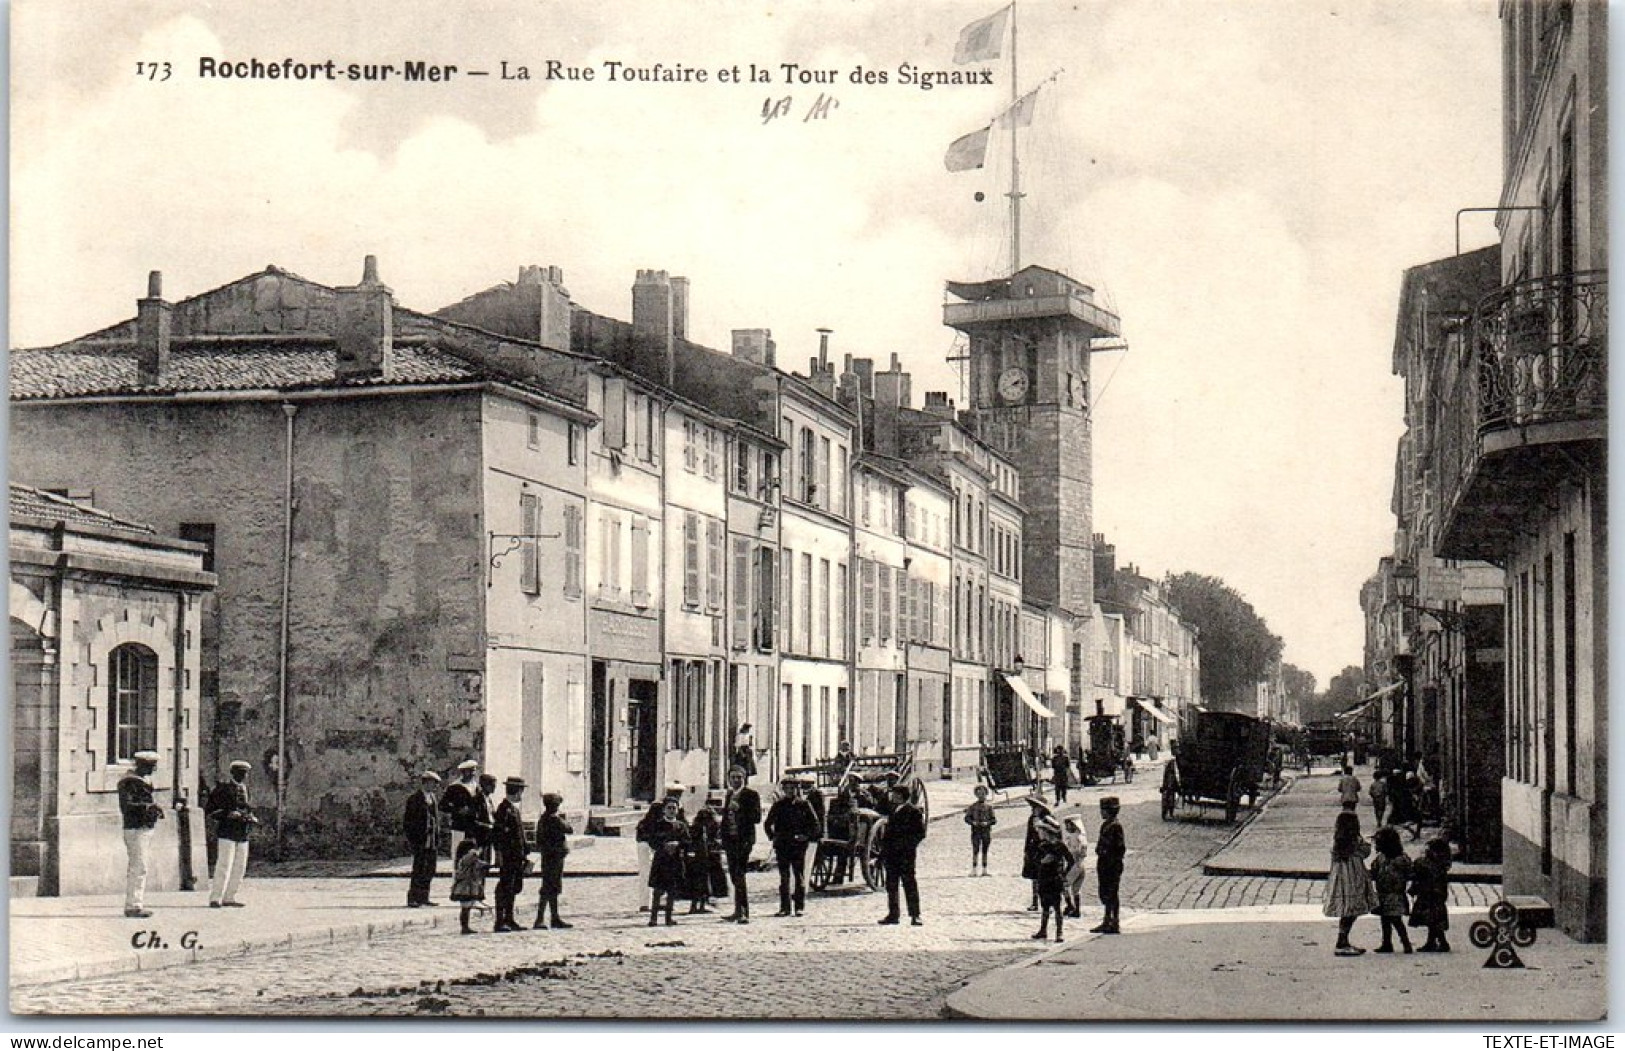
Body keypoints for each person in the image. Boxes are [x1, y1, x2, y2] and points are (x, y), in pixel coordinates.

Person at [764, 775, 820, 917]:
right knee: (784, 878)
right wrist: (773, 837)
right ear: (783, 789)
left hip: (798, 845)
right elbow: (767, 823)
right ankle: (785, 908)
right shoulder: (778, 805)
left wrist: (805, 836)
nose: (790, 791)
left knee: (799, 876)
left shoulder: (804, 805)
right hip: (782, 845)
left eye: (793, 788)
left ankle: (799, 907)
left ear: (798, 789)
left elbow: (815, 825)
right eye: (787, 788)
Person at [1322, 809, 1376, 955]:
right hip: (1354, 876)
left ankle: (1343, 940)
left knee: (1347, 909)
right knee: (1351, 909)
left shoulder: (1337, 842)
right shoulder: (1355, 841)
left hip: (1340, 877)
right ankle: (1342, 942)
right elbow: (1365, 852)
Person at [118, 751, 165, 918]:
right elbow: (127, 806)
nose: (153, 769)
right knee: (139, 866)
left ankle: (136, 903)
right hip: (135, 828)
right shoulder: (129, 782)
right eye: (151, 766)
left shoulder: (143, 781)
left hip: (143, 828)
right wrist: (148, 807)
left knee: (140, 866)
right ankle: (133, 905)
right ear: (141, 765)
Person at [207, 760, 257, 908]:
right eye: (240, 773)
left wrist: (251, 817)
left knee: (239, 866)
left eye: (245, 773)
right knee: (224, 864)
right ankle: (216, 897)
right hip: (227, 831)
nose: (243, 776)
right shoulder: (222, 789)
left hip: (243, 831)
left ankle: (230, 896)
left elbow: (248, 808)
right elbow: (211, 810)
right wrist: (228, 814)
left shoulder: (247, 790)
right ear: (233, 773)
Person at [876, 784, 926, 927]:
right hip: (891, 855)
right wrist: (883, 852)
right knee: (891, 885)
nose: (893, 796)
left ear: (901, 795)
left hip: (906, 855)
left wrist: (907, 846)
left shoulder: (914, 811)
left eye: (895, 794)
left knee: (909, 884)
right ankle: (893, 914)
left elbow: (920, 833)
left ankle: (915, 915)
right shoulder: (893, 811)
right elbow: (888, 834)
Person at [718, 766, 762, 924]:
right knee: (733, 874)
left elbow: (757, 818)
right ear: (728, 779)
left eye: (739, 777)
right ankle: (737, 910)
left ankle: (744, 912)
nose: (736, 780)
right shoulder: (729, 794)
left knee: (739, 873)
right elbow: (725, 818)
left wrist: (740, 809)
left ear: (744, 779)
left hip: (743, 840)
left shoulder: (751, 795)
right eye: (733, 777)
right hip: (730, 839)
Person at [491, 776, 528, 933]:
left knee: (513, 887)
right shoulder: (503, 809)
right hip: (508, 855)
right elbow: (498, 835)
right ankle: (500, 921)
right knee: (505, 887)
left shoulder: (513, 809)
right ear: (516, 791)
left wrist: (525, 849)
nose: (522, 794)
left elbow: (519, 832)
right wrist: (498, 854)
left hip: (516, 855)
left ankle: (509, 918)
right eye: (521, 791)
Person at [1369, 826, 1413, 953]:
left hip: (1394, 894)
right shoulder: (1382, 858)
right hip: (1383, 893)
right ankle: (1387, 943)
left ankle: (1405, 942)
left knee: (1395, 919)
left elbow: (1409, 872)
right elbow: (1374, 871)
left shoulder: (1399, 859)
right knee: (1385, 920)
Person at [646, 797, 689, 926]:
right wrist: (663, 845)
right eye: (669, 808)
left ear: (677, 810)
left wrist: (678, 844)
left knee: (672, 890)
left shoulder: (681, 826)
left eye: (674, 808)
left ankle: (668, 918)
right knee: (658, 890)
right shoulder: (658, 825)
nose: (671, 811)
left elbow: (688, 842)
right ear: (664, 810)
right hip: (661, 861)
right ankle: (653, 918)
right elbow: (651, 840)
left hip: (675, 862)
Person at [532, 792, 572, 929]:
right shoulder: (554, 819)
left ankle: (554, 917)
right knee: (549, 888)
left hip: (548, 856)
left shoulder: (543, 819)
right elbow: (569, 828)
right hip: (553, 858)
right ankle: (540, 918)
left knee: (552, 887)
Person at [402, 771, 442, 908]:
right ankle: (413, 898)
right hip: (420, 839)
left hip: (432, 839)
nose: (435, 786)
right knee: (419, 868)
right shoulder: (414, 799)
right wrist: (413, 839)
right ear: (425, 783)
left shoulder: (433, 798)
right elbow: (408, 821)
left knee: (430, 868)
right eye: (433, 783)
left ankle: (424, 897)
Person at [1031, 818, 1073, 942]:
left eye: (1041, 831)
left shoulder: (1059, 845)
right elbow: (1035, 861)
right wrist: (1041, 861)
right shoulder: (1041, 845)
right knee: (1044, 905)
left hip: (1055, 878)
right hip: (1043, 878)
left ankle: (1059, 932)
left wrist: (1063, 872)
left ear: (1047, 831)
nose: (1039, 833)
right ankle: (1043, 930)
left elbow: (1070, 860)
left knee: (1057, 905)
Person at [1409, 837, 1453, 952]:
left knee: (1434, 921)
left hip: (1431, 896)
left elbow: (1419, 877)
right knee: (1432, 921)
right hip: (1431, 896)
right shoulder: (1440, 866)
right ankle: (1431, 942)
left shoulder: (1430, 865)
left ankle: (1442, 942)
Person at [1091, 796, 1126, 934]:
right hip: (1104, 863)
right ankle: (1107, 920)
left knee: (1112, 893)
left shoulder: (1116, 826)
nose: (1101, 813)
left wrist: (1110, 856)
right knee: (1104, 892)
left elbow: (1120, 847)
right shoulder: (1105, 825)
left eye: (1103, 810)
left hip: (1112, 864)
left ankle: (1114, 921)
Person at [686, 802, 725, 914]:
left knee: (700, 884)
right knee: (703, 883)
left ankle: (697, 905)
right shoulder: (703, 829)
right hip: (703, 860)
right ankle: (699, 905)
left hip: (701, 860)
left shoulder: (697, 828)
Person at [440, 759, 480, 859]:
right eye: (469, 771)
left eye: (473, 771)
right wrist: (457, 810)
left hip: (473, 826)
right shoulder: (454, 787)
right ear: (463, 772)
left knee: (472, 852)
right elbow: (442, 805)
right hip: (459, 825)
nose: (472, 774)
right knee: (458, 851)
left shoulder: (476, 787)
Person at [633, 799, 667, 912]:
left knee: (646, 876)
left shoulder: (643, 823)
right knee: (654, 875)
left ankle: (645, 903)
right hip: (648, 848)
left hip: (644, 847)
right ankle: (656, 902)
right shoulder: (658, 823)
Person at [449, 839, 489, 935]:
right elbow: (475, 857)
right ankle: (464, 927)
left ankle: (465, 926)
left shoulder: (462, 858)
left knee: (466, 907)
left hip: (467, 885)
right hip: (466, 887)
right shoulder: (468, 857)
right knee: (465, 908)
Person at [1021, 794, 1051, 911]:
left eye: (1035, 807)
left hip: (1044, 851)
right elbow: (1028, 836)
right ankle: (1035, 902)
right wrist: (1026, 851)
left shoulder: (1047, 819)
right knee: (1034, 877)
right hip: (1033, 851)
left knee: (1046, 878)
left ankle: (1048, 902)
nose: (1033, 810)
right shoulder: (1031, 819)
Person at [964, 784, 997, 876]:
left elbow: (994, 820)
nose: (981, 796)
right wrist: (973, 822)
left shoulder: (989, 807)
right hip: (976, 831)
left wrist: (987, 823)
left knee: (985, 850)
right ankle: (974, 869)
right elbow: (967, 818)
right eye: (979, 794)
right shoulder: (972, 807)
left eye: (983, 794)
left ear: (986, 794)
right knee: (975, 850)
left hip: (986, 831)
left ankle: (984, 869)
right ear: (976, 795)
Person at [1061, 816, 1089, 918]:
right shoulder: (1082, 837)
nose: (1066, 827)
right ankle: (1077, 910)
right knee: (1076, 889)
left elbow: (1074, 855)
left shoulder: (1075, 838)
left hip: (1075, 865)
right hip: (1082, 865)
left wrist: (1067, 869)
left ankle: (1070, 906)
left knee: (1063, 885)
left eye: (1067, 824)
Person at [472, 773, 498, 857]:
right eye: (492, 785)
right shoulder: (476, 800)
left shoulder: (489, 800)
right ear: (485, 785)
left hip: (488, 836)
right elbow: (473, 820)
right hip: (480, 836)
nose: (494, 788)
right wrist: (487, 826)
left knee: (487, 859)